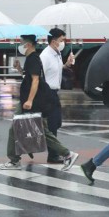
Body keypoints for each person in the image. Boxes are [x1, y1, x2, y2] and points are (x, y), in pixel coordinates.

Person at [0, 35, 79, 171]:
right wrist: (19, 69)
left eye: (21, 42)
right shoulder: (32, 59)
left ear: (28, 45)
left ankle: (14, 160)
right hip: (31, 100)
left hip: (32, 101)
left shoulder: (34, 58)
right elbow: (29, 77)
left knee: (23, 130)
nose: (20, 45)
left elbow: (35, 80)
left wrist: (29, 101)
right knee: (39, 131)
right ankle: (67, 154)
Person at [39, 28, 74, 163]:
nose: (63, 43)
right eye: (61, 40)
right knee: (52, 124)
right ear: (54, 41)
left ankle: (52, 154)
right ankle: (53, 155)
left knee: (55, 123)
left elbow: (57, 69)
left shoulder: (56, 53)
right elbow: (39, 76)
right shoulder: (45, 56)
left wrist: (67, 64)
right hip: (47, 93)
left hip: (53, 93)